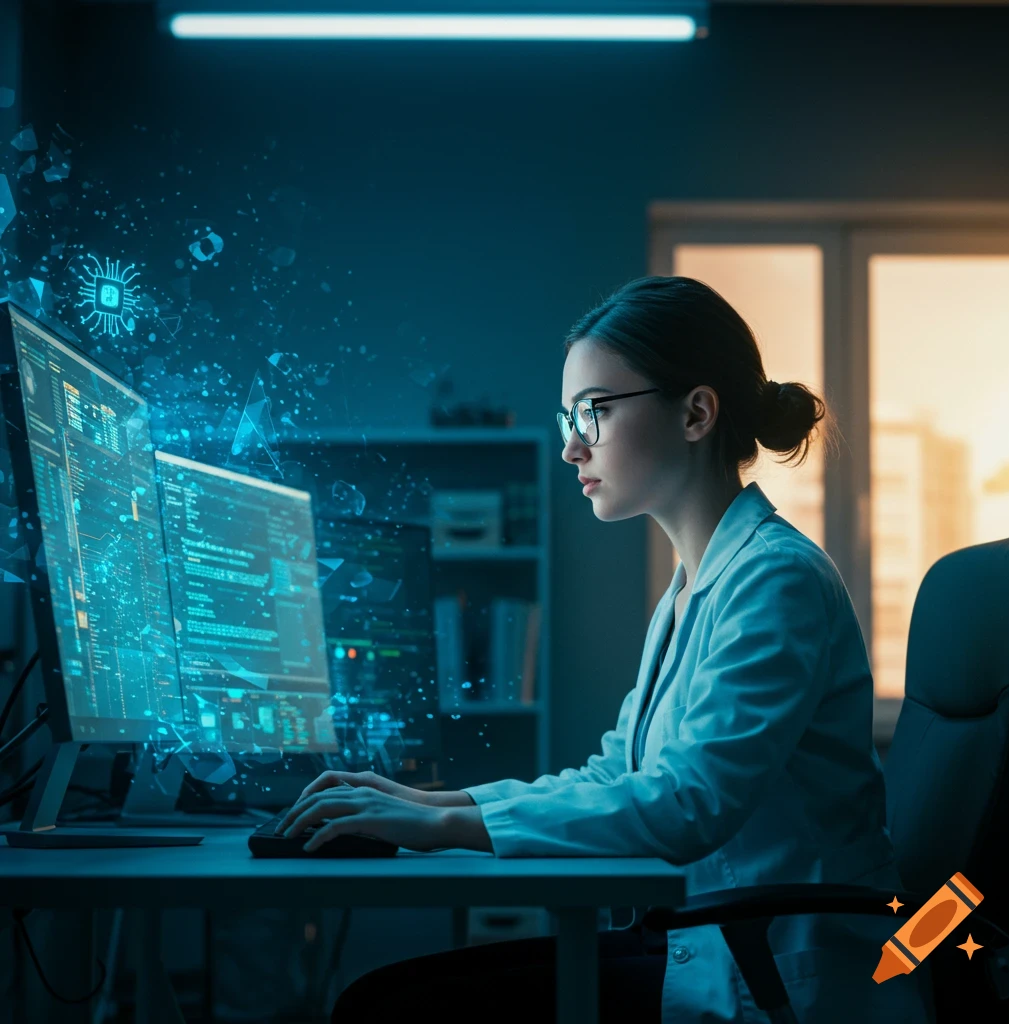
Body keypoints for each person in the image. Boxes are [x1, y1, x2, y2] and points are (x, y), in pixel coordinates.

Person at [277, 276, 935, 1023]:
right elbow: (617, 773)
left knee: (388, 1009)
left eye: (593, 411)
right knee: (388, 1000)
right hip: (721, 943)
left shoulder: (774, 580)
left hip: (777, 974)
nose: (569, 446)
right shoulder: (696, 585)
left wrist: (442, 828)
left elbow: (688, 805)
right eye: (569, 415)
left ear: (695, 413)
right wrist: (439, 802)